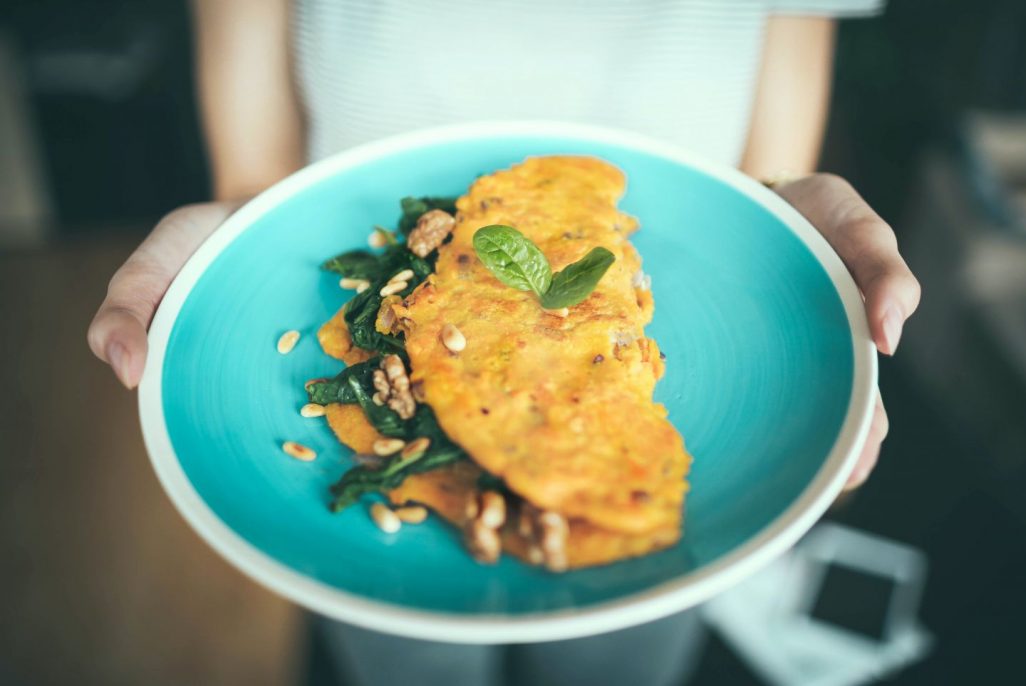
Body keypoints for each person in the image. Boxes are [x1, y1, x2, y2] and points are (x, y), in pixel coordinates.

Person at [87, 2, 920, 685]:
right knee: (404, 656)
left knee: (624, 658)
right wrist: (232, 241)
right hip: (381, 280)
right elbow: (255, 181)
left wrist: (800, 263)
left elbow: (763, 188)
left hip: (662, 375)